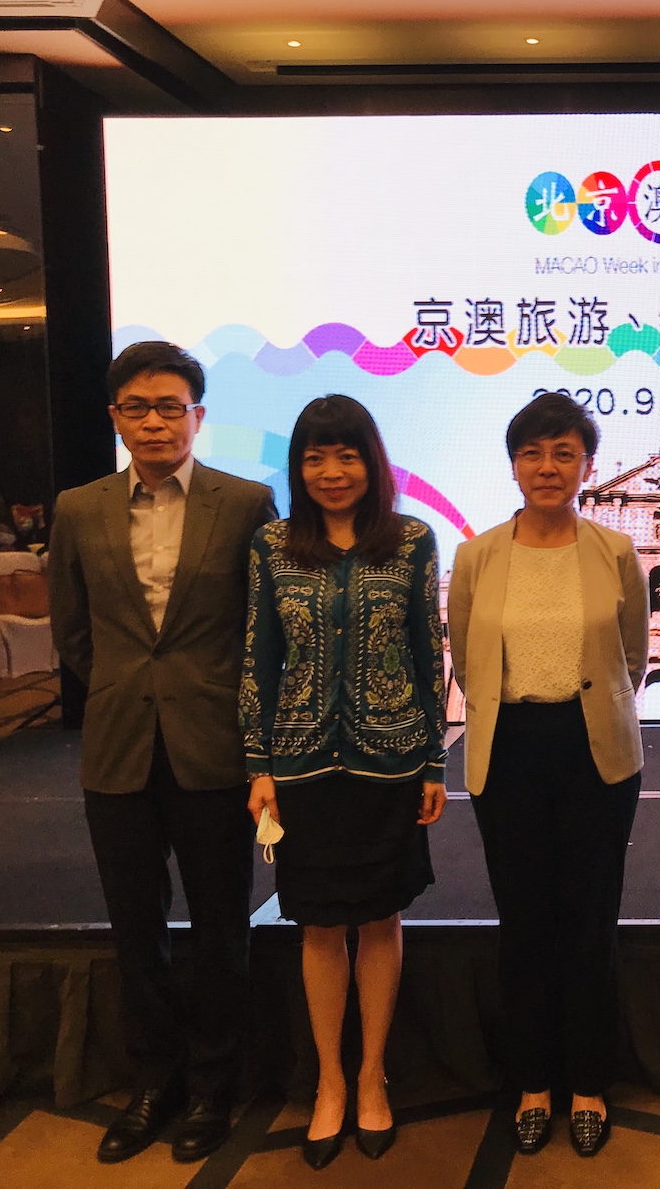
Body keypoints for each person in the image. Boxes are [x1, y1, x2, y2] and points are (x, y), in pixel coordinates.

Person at [46, 341, 277, 1164]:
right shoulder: (78, 508)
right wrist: (126, 687)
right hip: (118, 748)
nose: (154, 421)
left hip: (213, 745)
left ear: (197, 416)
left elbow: (263, 628)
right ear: (116, 418)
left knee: (220, 926)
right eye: (138, 407)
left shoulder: (245, 503)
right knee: (135, 927)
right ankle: (154, 1083)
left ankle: (213, 1085)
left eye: (170, 406)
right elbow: (73, 630)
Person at [240, 395, 447, 1169]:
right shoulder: (272, 545)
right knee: (319, 927)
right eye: (314, 457)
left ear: (372, 462)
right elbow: (258, 658)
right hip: (301, 766)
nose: (331, 472)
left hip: (388, 762)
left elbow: (429, 656)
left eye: (347, 455)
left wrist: (433, 763)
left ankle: (371, 1077)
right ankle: (329, 1080)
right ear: (298, 468)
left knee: (382, 919)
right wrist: (258, 766)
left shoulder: (411, 541)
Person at [446, 392, 649, 1158]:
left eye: (564, 453)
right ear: (513, 465)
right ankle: (533, 1082)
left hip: (594, 748)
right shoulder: (476, 556)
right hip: (508, 750)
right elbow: (465, 653)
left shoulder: (614, 551)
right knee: (523, 923)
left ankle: (589, 1083)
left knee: (591, 922)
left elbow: (631, 656)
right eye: (532, 452)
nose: (547, 467)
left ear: (586, 466)